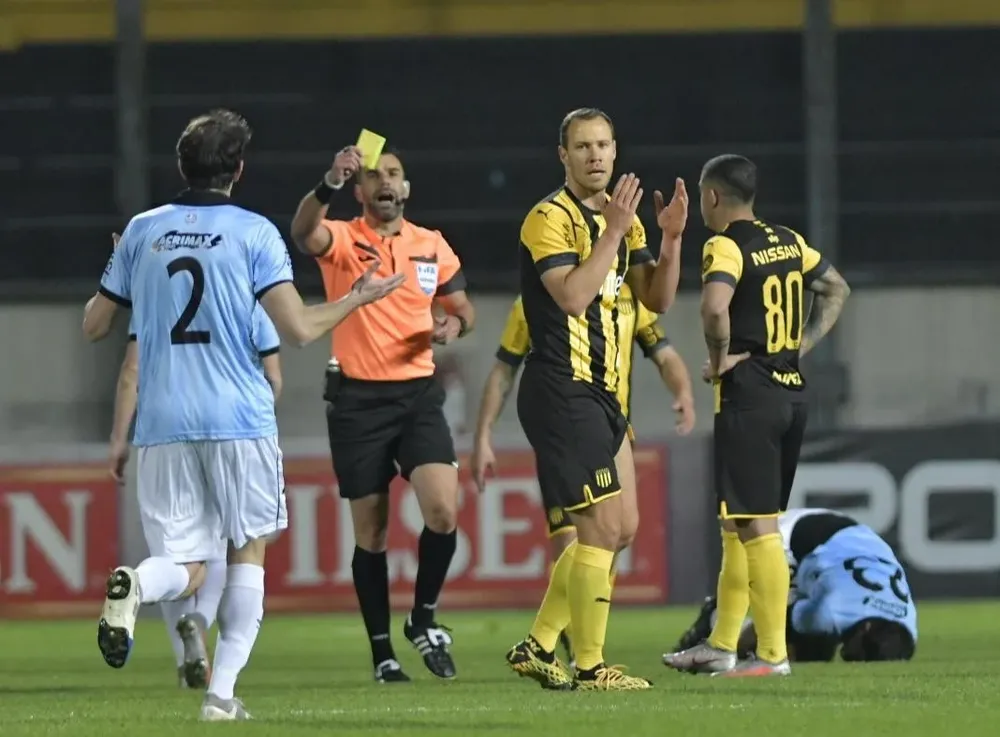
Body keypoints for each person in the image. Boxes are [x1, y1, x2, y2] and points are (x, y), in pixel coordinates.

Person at [82, 108, 404, 720]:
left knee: (184, 564)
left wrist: (120, 263)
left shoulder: (143, 230)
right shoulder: (254, 232)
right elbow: (301, 329)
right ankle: (221, 696)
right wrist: (356, 299)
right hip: (237, 417)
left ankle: (137, 585)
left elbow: (95, 326)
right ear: (239, 169)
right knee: (245, 555)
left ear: (181, 165)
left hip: (163, 423)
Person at [505, 107, 688, 692]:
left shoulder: (628, 224)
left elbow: (655, 301)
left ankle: (537, 645)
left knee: (624, 527)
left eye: (604, 145)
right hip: (562, 388)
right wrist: (612, 230)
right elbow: (574, 298)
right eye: (583, 146)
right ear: (563, 155)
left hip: (607, 395)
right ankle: (589, 667)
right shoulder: (547, 219)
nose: (596, 156)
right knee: (601, 528)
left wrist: (673, 238)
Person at [289, 144, 475, 683]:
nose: (385, 183)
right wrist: (326, 182)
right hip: (357, 402)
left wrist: (452, 327)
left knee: (443, 510)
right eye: (375, 176)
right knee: (370, 533)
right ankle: (382, 654)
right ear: (360, 191)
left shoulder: (430, 244)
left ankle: (423, 617)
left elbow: (462, 310)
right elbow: (304, 232)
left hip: (418, 394)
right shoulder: (344, 239)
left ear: (407, 189)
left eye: (393, 174)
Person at [662, 154, 851, 678]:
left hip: (750, 398)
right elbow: (837, 288)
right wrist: (796, 346)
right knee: (738, 524)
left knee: (758, 527)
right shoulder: (790, 240)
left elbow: (714, 307)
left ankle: (771, 654)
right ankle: (722, 644)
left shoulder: (724, 244)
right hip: (790, 395)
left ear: (713, 197)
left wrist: (720, 358)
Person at [471, 289, 695, 666]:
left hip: (613, 427)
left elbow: (665, 354)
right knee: (576, 537)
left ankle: (557, 643)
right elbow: (504, 369)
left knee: (618, 533)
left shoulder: (629, 296)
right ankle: (579, 652)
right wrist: (482, 436)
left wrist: (684, 392)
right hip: (566, 428)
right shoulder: (537, 301)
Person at [109, 299, 283, 690]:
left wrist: (119, 437)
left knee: (177, 559)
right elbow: (273, 378)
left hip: (163, 428)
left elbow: (129, 372)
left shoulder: (152, 296)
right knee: (234, 549)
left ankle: (138, 584)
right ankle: (212, 664)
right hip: (234, 428)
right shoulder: (246, 295)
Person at [669, 508, 917, 663]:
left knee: (814, 646)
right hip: (795, 537)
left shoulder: (907, 625)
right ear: (868, 627)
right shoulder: (832, 614)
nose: (851, 658)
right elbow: (785, 620)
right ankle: (713, 624)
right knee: (787, 640)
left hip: (853, 538)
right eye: (858, 654)